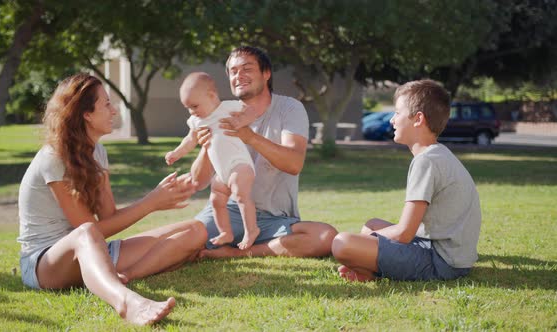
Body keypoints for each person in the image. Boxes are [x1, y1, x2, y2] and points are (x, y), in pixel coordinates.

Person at [17, 73, 207, 325]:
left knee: (195, 230)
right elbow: (91, 230)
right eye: (106, 104)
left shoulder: (97, 150)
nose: (114, 110)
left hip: (94, 250)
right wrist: (151, 203)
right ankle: (126, 302)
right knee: (86, 233)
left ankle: (121, 276)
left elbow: (108, 219)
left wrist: (157, 201)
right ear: (86, 113)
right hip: (45, 263)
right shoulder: (53, 157)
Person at [189, 46, 338, 258]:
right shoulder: (219, 114)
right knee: (183, 239)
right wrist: (207, 148)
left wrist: (249, 136)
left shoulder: (289, 108)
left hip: (275, 220)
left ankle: (236, 254)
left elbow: (294, 164)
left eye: (246, 69)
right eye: (233, 71)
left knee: (325, 236)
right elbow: (199, 182)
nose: (238, 76)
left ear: (266, 73)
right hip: (230, 213)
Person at [332, 79, 482, 282]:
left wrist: (362, 244)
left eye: (397, 113)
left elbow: (404, 233)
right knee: (372, 225)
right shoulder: (437, 154)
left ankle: (370, 269)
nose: (392, 120)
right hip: (442, 251)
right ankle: (368, 270)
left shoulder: (426, 161)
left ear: (418, 119)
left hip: (443, 263)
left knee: (342, 243)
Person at [165, 72, 259, 250]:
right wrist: (176, 153)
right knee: (216, 199)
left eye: (194, 106)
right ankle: (226, 232)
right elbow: (189, 140)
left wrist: (241, 120)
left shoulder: (227, 108)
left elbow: (252, 111)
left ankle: (251, 230)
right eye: (188, 108)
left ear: (211, 95)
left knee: (240, 194)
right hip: (222, 172)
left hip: (240, 165)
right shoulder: (196, 121)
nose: (192, 111)